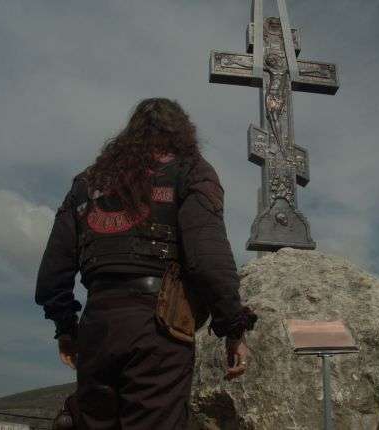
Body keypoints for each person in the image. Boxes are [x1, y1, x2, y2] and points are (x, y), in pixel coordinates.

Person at [35, 98, 257, 430]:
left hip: (97, 329)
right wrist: (233, 329)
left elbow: (53, 272)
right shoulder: (191, 171)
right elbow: (208, 259)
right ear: (182, 132)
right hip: (159, 328)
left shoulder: (86, 183)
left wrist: (66, 329)